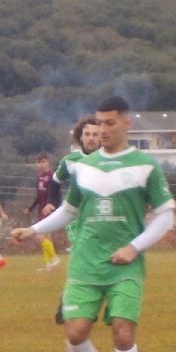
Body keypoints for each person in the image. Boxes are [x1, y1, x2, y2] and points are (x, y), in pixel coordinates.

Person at [11, 97, 175, 352]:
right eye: (99, 123)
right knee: (75, 333)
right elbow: (70, 211)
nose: (102, 129)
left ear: (126, 124)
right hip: (86, 261)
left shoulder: (146, 166)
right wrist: (34, 230)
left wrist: (134, 246)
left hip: (125, 265)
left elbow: (166, 216)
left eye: (110, 123)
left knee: (123, 333)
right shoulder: (82, 167)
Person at [46, 116, 103, 323]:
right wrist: (52, 203)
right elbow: (54, 183)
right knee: (84, 259)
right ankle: (71, 302)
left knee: (100, 261)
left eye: (96, 134)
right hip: (76, 219)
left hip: (103, 219)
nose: (91, 138)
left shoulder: (108, 159)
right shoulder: (70, 161)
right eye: (87, 134)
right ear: (80, 136)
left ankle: (92, 302)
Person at [24, 153, 59, 270]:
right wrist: (30, 208)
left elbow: (54, 193)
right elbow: (38, 196)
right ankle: (49, 265)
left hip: (49, 211)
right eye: (39, 162)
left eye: (43, 161)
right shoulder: (39, 178)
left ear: (48, 162)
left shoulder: (52, 176)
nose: (41, 164)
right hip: (40, 210)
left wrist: (51, 205)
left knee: (38, 235)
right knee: (46, 238)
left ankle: (54, 258)